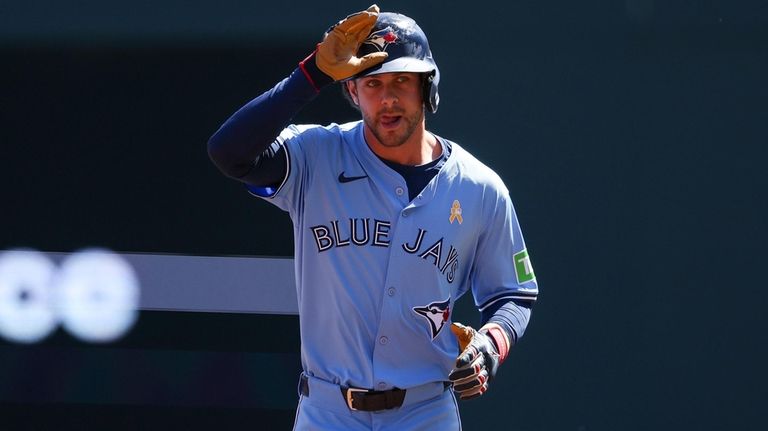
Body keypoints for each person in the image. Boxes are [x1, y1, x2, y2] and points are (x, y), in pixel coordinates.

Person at [208, 5, 538, 430]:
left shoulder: (478, 186)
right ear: (352, 92)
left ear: (428, 87)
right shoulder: (316, 155)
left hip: (425, 411)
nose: (387, 98)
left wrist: (492, 343)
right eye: (372, 83)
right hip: (327, 411)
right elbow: (228, 152)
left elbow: (514, 294)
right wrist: (311, 75)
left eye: (402, 80)